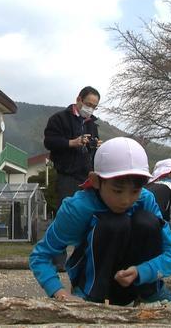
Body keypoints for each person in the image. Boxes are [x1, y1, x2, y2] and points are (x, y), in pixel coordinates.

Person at [30, 137, 171, 306]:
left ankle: (151, 292)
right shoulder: (78, 208)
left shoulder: (145, 200)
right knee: (113, 223)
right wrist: (59, 293)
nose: (126, 200)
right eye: (117, 191)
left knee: (146, 220)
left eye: (135, 191)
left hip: (136, 279)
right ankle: (91, 295)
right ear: (96, 181)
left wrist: (142, 271)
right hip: (94, 284)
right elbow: (40, 256)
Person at [43, 86, 101, 270]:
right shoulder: (59, 118)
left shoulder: (93, 124)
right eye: (88, 104)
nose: (90, 108)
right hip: (66, 174)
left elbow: (92, 148)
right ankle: (58, 260)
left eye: (94, 106)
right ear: (79, 100)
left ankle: (82, 259)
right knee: (63, 215)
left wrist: (95, 145)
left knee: (88, 216)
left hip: (86, 175)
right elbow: (49, 141)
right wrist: (72, 142)